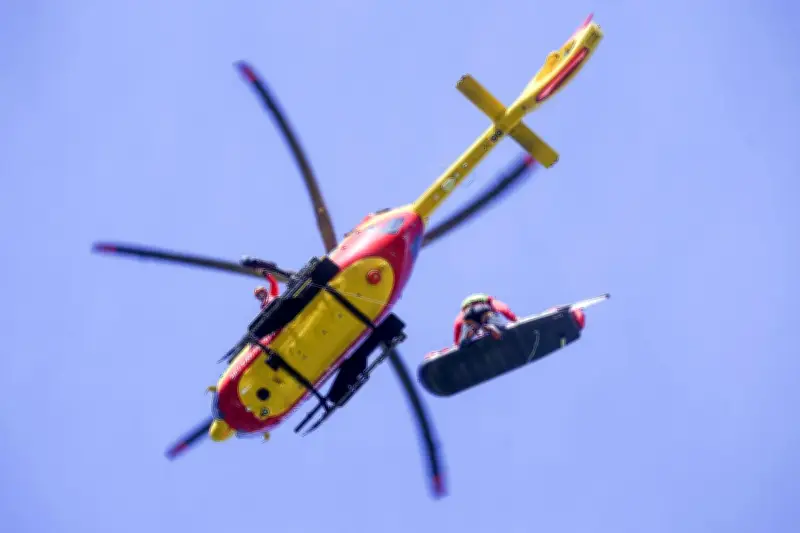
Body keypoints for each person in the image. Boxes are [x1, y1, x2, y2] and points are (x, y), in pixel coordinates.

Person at [453, 293, 518, 347]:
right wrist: (514, 319)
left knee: (463, 342)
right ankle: (491, 327)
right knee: (500, 328)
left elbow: (458, 323)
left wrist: (456, 343)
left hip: (468, 315)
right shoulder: (489, 300)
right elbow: (503, 308)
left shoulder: (464, 309)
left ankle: (471, 330)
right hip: (483, 310)